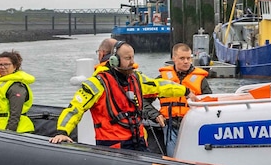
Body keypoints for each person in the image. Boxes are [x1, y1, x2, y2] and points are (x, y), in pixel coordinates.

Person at [52, 41, 185, 150]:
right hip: (112, 146)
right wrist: (62, 132)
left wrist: (186, 91)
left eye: (132, 57)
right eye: (127, 58)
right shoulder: (98, 83)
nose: (132, 62)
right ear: (114, 60)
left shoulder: (136, 79)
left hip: (138, 143)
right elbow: (75, 108)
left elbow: (160, 86)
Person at [157, 42, 211, 152]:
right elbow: (144, 100)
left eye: (188, 58)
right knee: (173, 155)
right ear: (174, 58)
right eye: (182, 58)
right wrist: (155, 114)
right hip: (170, 125)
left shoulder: (200, 80)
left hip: (192, 125)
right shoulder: (162, 78)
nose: (186, 61)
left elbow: (210, 103)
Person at [0, 51, 36, 132]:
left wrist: (9, 132)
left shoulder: (16, 86)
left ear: (14, 66)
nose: (3, 67)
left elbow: (15, 113)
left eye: (6, 64)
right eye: (0, 65)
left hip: (17, 130)